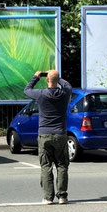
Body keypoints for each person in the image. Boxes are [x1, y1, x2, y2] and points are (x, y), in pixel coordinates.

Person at [24, 69, 72, 205]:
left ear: (47, 80)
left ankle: (48, 197)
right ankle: (62, 196)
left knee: (46, 166)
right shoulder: (64, 93)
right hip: (60, 134)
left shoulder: (41, 95)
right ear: (58, 81)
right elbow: (68, 86)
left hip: (44, 134)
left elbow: (27, 89)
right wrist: (58, 77)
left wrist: (35, 77)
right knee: (62, 165)